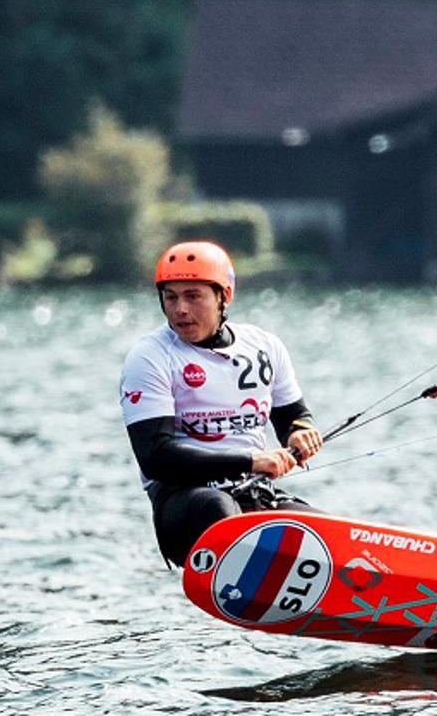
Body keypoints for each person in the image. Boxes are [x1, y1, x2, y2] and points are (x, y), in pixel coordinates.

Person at [119, 241, 324, 566]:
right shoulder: (150, 357)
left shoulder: (264, 347)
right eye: (170, 297)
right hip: (185, 505)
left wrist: (300, 432)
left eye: (193, 296)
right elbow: (156, 457)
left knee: (325, 533)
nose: (180, 309)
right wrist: (250, 460)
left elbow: (294, 416)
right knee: (220, 510)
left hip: (254, 493)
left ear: (223, 297)